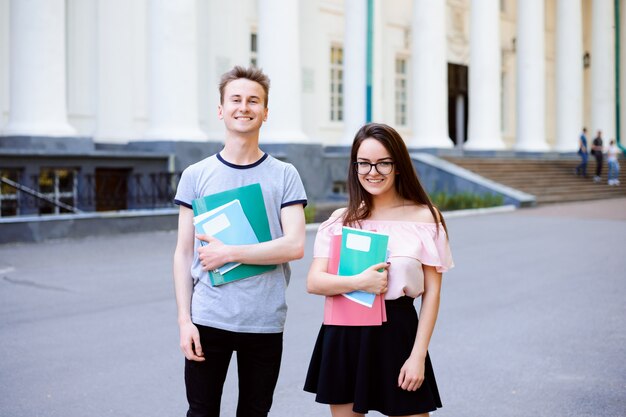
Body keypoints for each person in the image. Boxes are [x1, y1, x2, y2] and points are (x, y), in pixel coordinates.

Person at [173, 66, 307, 417]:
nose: (243, 107)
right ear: (221, 110)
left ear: (265, 112)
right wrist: (185, 321)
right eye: (235, 99)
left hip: (264, 319)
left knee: (254, 412)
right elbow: (183, 252)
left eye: (253, 101)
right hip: (208, 318)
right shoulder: (196, 175)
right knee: (201, 412)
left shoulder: (284, 175)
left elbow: (294, 245)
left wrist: (229, 252)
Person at [304, 123, 454, 417]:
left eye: (383, 163)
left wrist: (418, 356)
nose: (373, 172)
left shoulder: (425, 218)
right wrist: (361, 281)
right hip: (345, 331)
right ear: (354, 166)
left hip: (399, 333)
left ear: (398, 166)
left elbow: (433, 294)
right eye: (364, 163)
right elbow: (314, 281)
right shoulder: (341, 220)